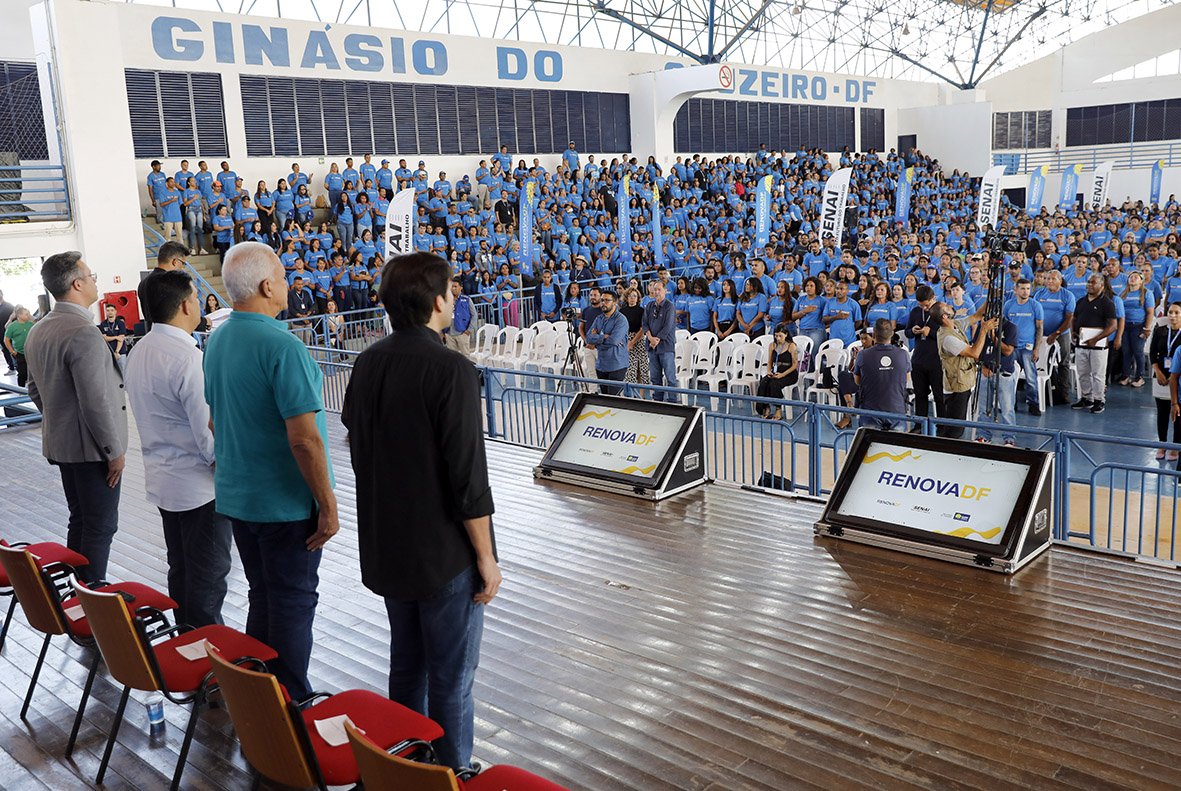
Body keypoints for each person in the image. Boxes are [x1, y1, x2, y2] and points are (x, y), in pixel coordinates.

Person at [341, 251, 501, 773]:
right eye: (452, 289)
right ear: (438, 300)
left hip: (388, 544)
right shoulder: (451, 368)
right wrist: (486, 557)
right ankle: (452, 773)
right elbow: (467, 477)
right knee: (452, 676)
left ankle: (404, 766)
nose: (456, 297)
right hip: (442, 552)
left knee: (406, 666)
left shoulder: (367, 362)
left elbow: (357, 443)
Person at [203, 242, 339, 700]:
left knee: (263, 595)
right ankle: (293, 703)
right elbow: (304, 439)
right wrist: (327, 503)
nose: (287, 284)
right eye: (283, 277)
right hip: (285, 504)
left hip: (240, 498)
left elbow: (214, 419)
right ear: (266, 285)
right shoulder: (284, 347)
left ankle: (259, 696)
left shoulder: (217, 339)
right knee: (294, 602)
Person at [124, 270, 231, 627]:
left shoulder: (139, 351)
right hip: (199, 486)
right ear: (185, 304)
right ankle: (207, 662)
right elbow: (207, 432)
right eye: (197, 297)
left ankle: (184, 646)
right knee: (208, 577)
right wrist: (225, 469)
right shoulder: (186, 357)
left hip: (165, 479)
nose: (199, 303)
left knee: (182, 569)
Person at [23, 252, 127, 583]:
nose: (95, 280)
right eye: (91, 275)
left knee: (80, 519)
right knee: (100, 525)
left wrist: (60, 419)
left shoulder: (39, 329)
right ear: (77, 284)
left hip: (64, 446)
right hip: (93, 450)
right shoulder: (84, 332)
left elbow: (33, 390)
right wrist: (114, 452)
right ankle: (93, 603)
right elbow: (95, 402)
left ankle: (76, 596)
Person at [932, 302, 997, 439]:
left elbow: (977, 316)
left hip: (963, 380)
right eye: (947, 307)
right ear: (945, 316)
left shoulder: (956, 324)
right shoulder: (948, 338)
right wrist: (984, 331)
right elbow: (974, 353)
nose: (951, 306)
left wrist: (990, 298)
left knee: (955, 427)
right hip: (956, 388)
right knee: (955, 430)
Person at [1072, 273, 1119, 414]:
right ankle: (1087, 397)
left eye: (1093, 282)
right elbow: (1074, 318)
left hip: (1098, 346)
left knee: (1098, 374)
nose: (1089, 285)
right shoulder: (1081, 301)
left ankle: (1099, 400)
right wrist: (1074, 332)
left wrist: (1096, 339)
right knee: (1082, 373)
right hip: (1081, 343)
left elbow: (1113, 326)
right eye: (1088, 282)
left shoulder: (1107, 303)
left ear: (1101, 286)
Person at [853, 318, 911, 431]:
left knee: (869, 446)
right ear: (892, 334)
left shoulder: (863, 355)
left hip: (871, 410)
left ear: (874, 334)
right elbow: (907, 378)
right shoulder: (903, 354)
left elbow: (857, 380)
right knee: (896, 447)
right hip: (896, 409)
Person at [975, 314, 1020, 447]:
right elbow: (976, 348)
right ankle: (983, 436)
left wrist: (993, 336)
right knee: (984, 408)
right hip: (985, 372)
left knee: (1007, 409)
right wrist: (982, 365)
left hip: (1004, 373)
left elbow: (1007, 351)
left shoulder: (1011, 327)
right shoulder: (982, 328)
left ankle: (1009, 438)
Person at [1002, 279, 1044, 415]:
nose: (1026, 291)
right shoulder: (1008, 305)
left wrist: (1036, 349)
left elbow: (1039, 328)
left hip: (1028, 347)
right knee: (1008, 377)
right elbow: (1004, 326)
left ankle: (1033, 403)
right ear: (1016, 290)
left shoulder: (1035, 306)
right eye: (1023, 288)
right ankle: (1010, 403)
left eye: (1028, 288)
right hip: (1011, 347)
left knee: (1031, 378)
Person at [906, 284, 944, 425]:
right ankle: (919, 425)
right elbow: (907, 331)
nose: (925, 309)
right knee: (920, 395)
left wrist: (932, 334)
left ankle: (941, 426)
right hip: (919, 359)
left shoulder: (942, 311)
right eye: (922, 305)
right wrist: (913, 331)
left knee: (939, 396)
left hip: (936, 360)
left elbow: (948, 337)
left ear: (933, 298)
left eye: (927, 305)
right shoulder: (916, 311)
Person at [1149, 303, 1181, 460]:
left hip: (1177, 379)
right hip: (1160, 377)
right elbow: (1152, 353)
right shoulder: (1160, 331)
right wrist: (1158, 371)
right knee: (1161, 412)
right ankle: (1162, 444)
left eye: (1176, 312)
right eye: (1170, 312)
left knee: (1177, 414)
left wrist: (1173, 377)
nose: (1172, 315)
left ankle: (1175, 447)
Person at [585, 290, 629, 394]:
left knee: (613, 400)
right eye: (602, 300)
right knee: (605, 398)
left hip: (616, 365)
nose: (603, 303)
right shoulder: (599, 319)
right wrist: (603, 337)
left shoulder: (621, 320)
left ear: (614, 302)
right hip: (601, 365)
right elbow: (589, 338)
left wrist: (597, 341)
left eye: (607, 300)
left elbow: (614, 340)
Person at [754, 324, 799, 420]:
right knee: (764, 382)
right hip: (776, 371)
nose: (778, 338)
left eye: (780, 336)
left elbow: (795, 365)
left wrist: (782, 375)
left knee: (775, 384)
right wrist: (769, 371)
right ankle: (765, 407)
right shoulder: (772, 345)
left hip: (789, 373)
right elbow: (770, 361)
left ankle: (778, 409)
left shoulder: (792, 346)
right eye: (776, 335)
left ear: (786, 334)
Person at [642, 280, 677, 401]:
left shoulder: (669, 306)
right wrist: (650, 338)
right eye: (654, 289)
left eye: (659, 289)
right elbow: (645, 324)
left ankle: (673, 402)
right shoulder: (649, 306)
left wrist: (657, 340)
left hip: (666, 347)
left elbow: (667, 326)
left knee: (670, 377)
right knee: (655, 377)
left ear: (665, 291)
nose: (656, 292)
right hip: (652, 347)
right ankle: (658, 400)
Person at [619, 287, 648, 385]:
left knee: (642, 369)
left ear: (638, 298)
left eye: (634, 296)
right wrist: (627, 342)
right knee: (630, 369)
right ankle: (631, 395)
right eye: (630, 296)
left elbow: (642, 328)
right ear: (626, 298)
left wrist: (632, 342)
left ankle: (642, 395)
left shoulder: (642, 311)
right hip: (626, 340)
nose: (632, 298)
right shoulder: (622, 311)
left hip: (639, 339)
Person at [4, 305, 34, 387]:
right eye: (26, 314)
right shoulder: (12, 326)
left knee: (33, 372)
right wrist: (12, 351)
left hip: (31, 352)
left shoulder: (31, 324)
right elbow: (6, 340)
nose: (28, 316)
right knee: (22, 373)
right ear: (19, 315)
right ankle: (21, 390)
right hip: (19, 353)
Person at [443, 279, 474, 357]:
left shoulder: (466, 299)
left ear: (461, 287)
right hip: (449, 333)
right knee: (452, 357)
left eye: (455, 286)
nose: (453, 289)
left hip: (462, 333)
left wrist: (469, 329)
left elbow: (474, 315)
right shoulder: (446, 300)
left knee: (466, 357)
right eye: (452, 287)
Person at [0, 290, 14, 372]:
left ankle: (17, 368)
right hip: (1, 334)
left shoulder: (9, 306)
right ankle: (11, 367)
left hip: (8, 333)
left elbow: (14, 319)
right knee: (5, 351)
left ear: (2, 294)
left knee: (12, 350)